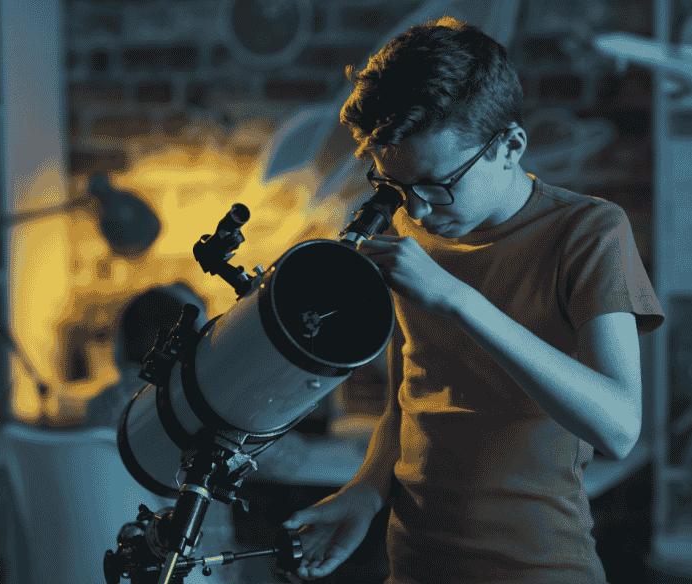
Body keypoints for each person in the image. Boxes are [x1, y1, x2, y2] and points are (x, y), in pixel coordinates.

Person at [278, 16, 665, 584]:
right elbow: (408, 400)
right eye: (397, 188)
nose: (419, 211)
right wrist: (365, 491)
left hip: (539, 569)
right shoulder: (410, 234)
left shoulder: (589, 232)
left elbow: (617, 426)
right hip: (413, 567)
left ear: (509, 146)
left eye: (437, 185)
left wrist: (457, 298)